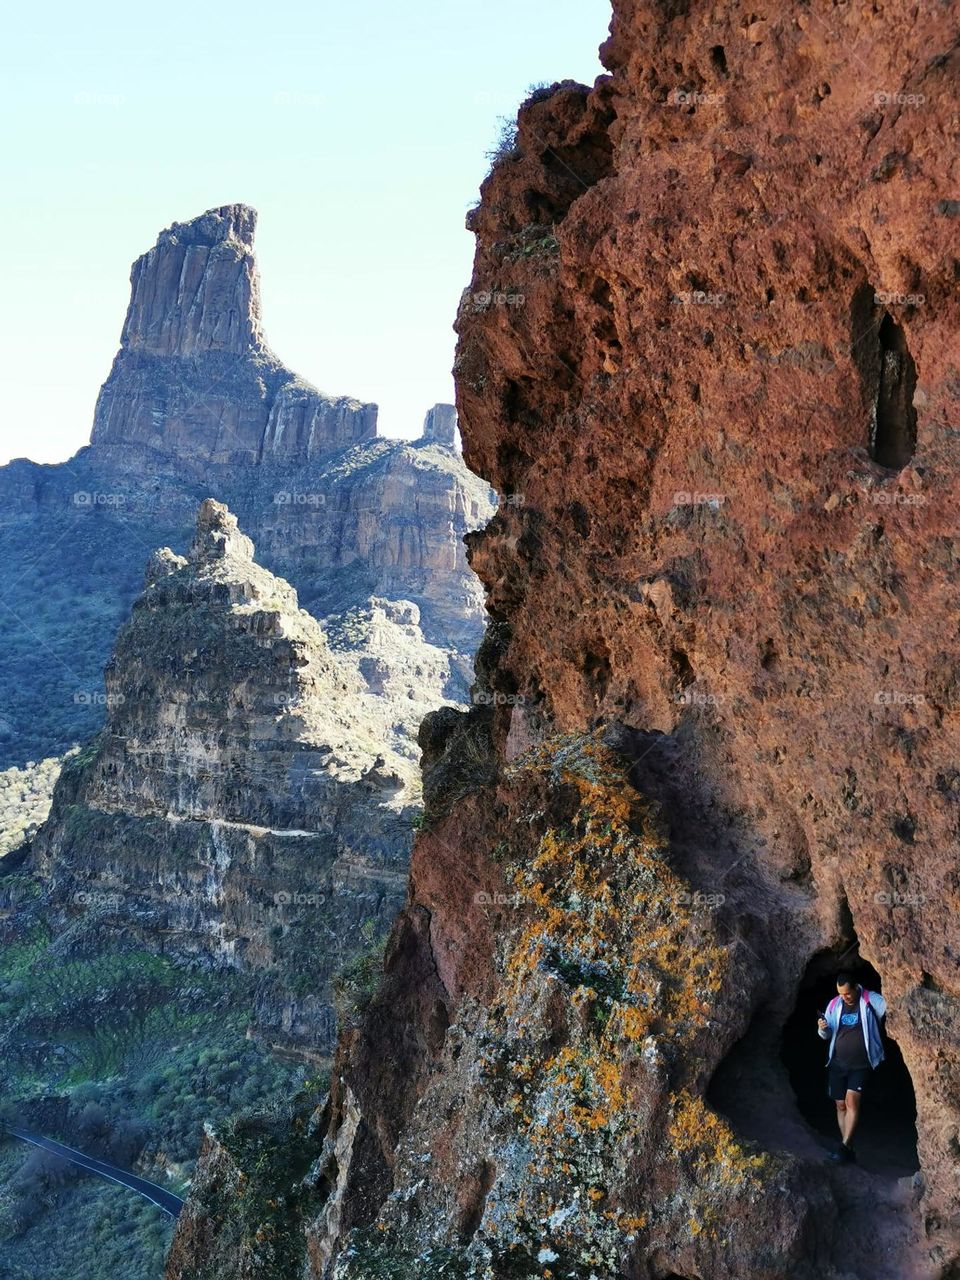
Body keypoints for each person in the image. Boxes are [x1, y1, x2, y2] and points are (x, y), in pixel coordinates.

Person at [817, 971, 887, 1163]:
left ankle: (844, 1148)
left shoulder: (871, 1000)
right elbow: (827, 1035)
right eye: (841, 993)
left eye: (847, 993)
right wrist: (822, 1028)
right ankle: (847, 1147)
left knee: (851, 1103)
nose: (844, 997)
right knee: (840, 1105)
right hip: (838, 1063)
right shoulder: (834, 1004)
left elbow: (893, 1008)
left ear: (856, 987)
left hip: (861, 1064)